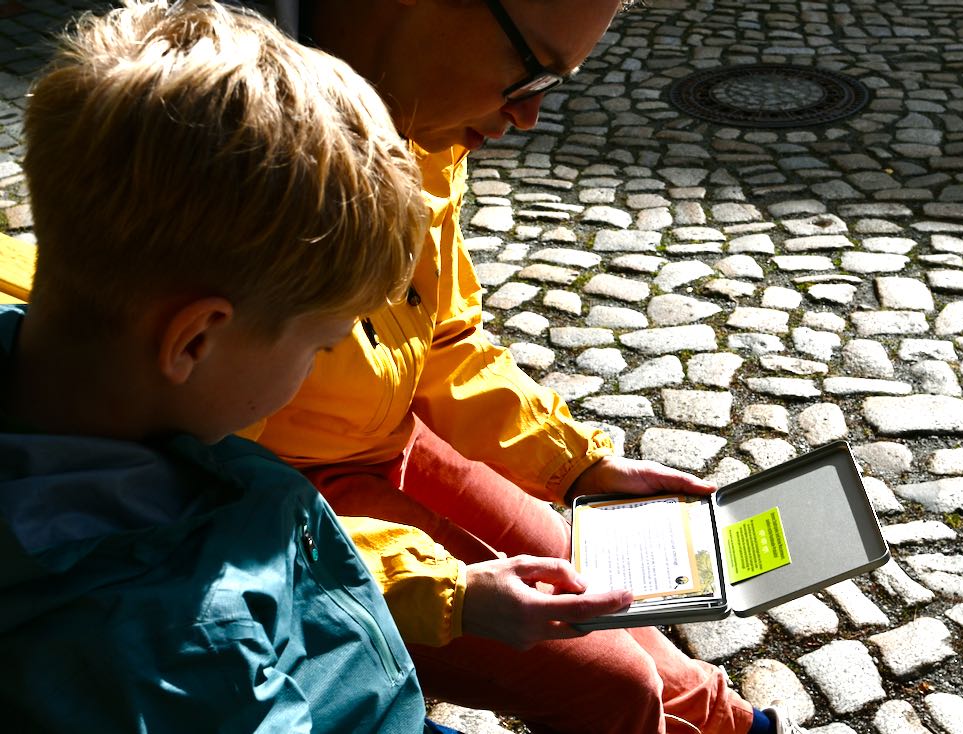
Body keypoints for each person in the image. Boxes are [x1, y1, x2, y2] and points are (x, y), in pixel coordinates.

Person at [0, 1, 631, 730]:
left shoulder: (106, 401)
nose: (320, 366)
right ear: (197, 340)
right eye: (323, 344)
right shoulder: (194, 655)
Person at [245, 1, 806, 732]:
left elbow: (444, 339)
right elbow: (200, 509)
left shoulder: (416, 119)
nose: (530, 115)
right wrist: (448, 591)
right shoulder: (234, 146)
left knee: (625, 603)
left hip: (393, 445)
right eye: (528, 73)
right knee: (615, 685)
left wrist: (579, 469)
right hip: (293, 502)